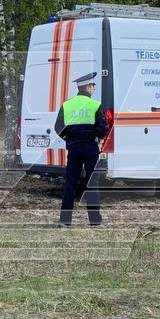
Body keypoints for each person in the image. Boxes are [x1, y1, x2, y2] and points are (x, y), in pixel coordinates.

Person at [54, 72, 108, 226]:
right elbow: (103, 128)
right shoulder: (95, 105)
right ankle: (95, 221)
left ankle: (65, 221)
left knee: (70, 184)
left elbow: (58, 128)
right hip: (90, 148)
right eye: (93, 86)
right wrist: (97, 136)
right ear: (88, 87)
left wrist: (69, 138)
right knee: (92, 183)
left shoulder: (67, 105)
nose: (94, 88)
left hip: (74, 149)